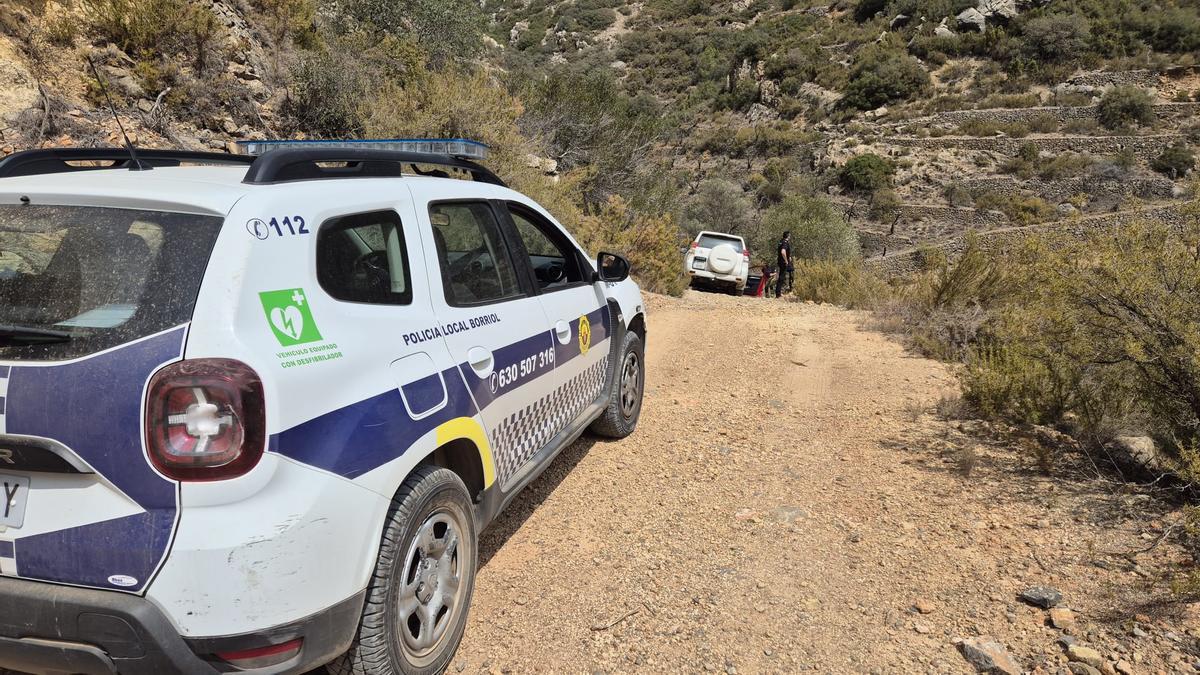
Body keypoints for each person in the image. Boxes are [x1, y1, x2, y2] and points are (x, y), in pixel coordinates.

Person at [775, 231, 793, 298]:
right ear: (788, 236)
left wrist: (789, 257)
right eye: (790, 235)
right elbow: (783, 252)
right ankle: (778, 294)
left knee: (781, 277)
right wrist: (786, 261)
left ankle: (778, 292)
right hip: (783, 262)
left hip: (780, 261)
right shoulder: (785, 243)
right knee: (782, 277)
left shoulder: (781, 242)